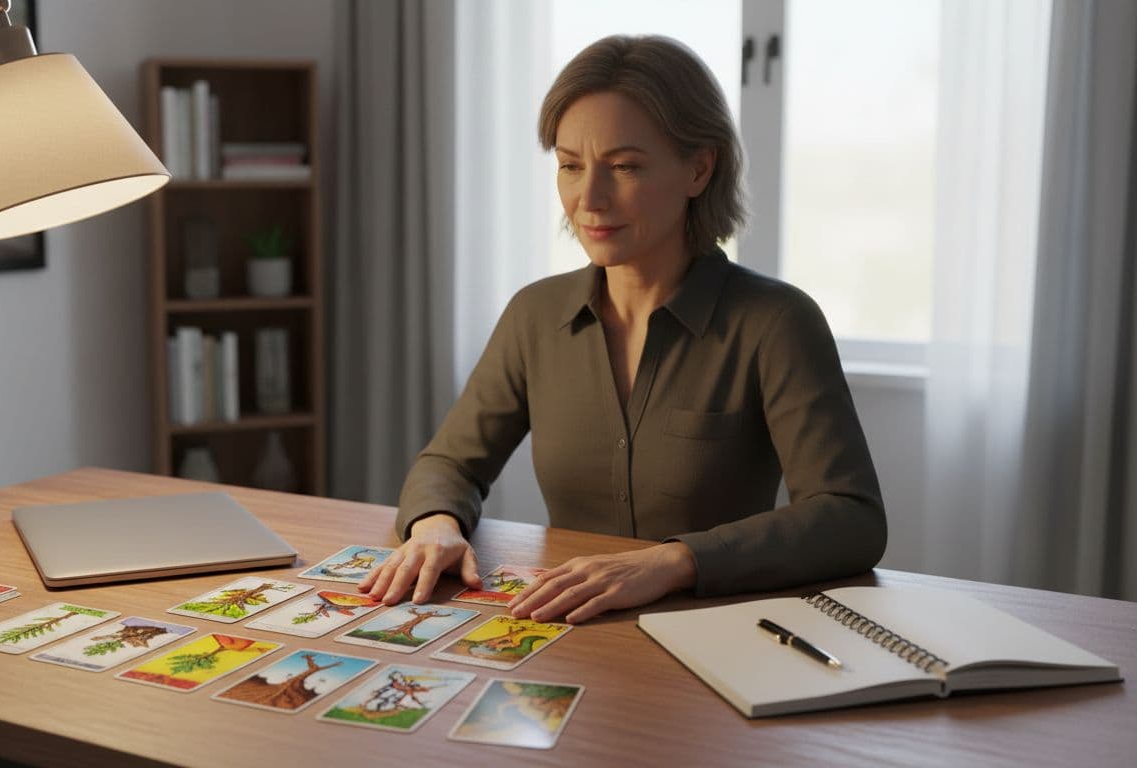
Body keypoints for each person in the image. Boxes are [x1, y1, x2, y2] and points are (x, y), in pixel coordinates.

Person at [358, 34, 885, 624]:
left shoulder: (778, 323)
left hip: (714, 637)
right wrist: (436, 526)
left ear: (699, 168)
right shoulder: (535, 315)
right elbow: (450, 465)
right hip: (565, 634)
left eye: (624, 166)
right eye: (570, 167)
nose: (589, 199)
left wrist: (672, 562)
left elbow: (850, 517)